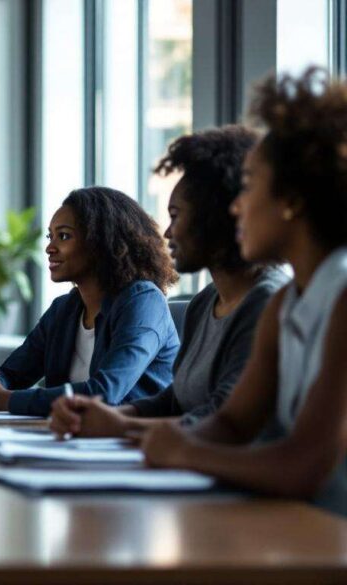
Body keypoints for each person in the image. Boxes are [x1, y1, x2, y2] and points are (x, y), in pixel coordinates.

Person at [139, 68, 347, 515]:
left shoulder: (342, 297)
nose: (236, 205)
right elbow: (233, 423)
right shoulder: (288, 304)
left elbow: (305, 464)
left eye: (250, 185)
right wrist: (163, 439)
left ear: (291, 199)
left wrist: (185, 452)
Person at [49, 127, 288, 437]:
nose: (166, 233)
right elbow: (175, 400)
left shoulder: (266, 301)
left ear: (215, 218)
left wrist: (122, 425)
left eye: (176, 216)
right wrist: (107, 416)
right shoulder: (205, 303)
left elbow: (225, 418)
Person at [0, 187, 180, 417]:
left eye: (63, 236)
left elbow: (104, 393)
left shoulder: (143, 301)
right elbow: (14, 374)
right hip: (72, 441)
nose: (49, 248)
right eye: (49, 236)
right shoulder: (63, 309)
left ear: (100, 241)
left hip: (134, 443)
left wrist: (4, 399)